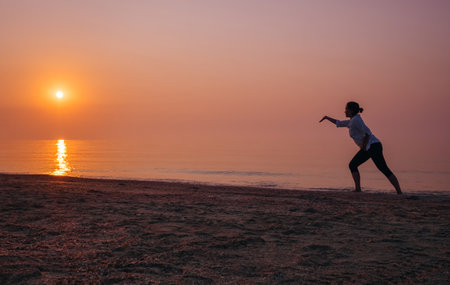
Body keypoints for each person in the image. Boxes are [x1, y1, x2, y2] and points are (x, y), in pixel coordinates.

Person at [320, 101, 402, 194]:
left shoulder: (356, 120)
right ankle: (358, 189)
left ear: (351, 111)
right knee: (353, 165)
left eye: (346, 109)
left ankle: (399, 192)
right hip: (368, 147)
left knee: (383, 168)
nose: (344, 111)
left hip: (373, 145)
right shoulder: (352, 121)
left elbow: (367, 133)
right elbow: (339, 123)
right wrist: (327, 118)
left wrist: (363, 146)